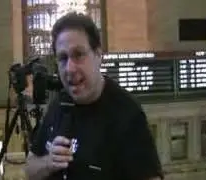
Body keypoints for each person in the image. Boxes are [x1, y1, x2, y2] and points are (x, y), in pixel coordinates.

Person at [24, 12, 163, 180]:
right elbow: (30, 168)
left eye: (78, 55)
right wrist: (48, 162)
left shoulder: (127, 114)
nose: (70, 68)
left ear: (98, 55)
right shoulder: (59, 103)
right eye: (63, 58)